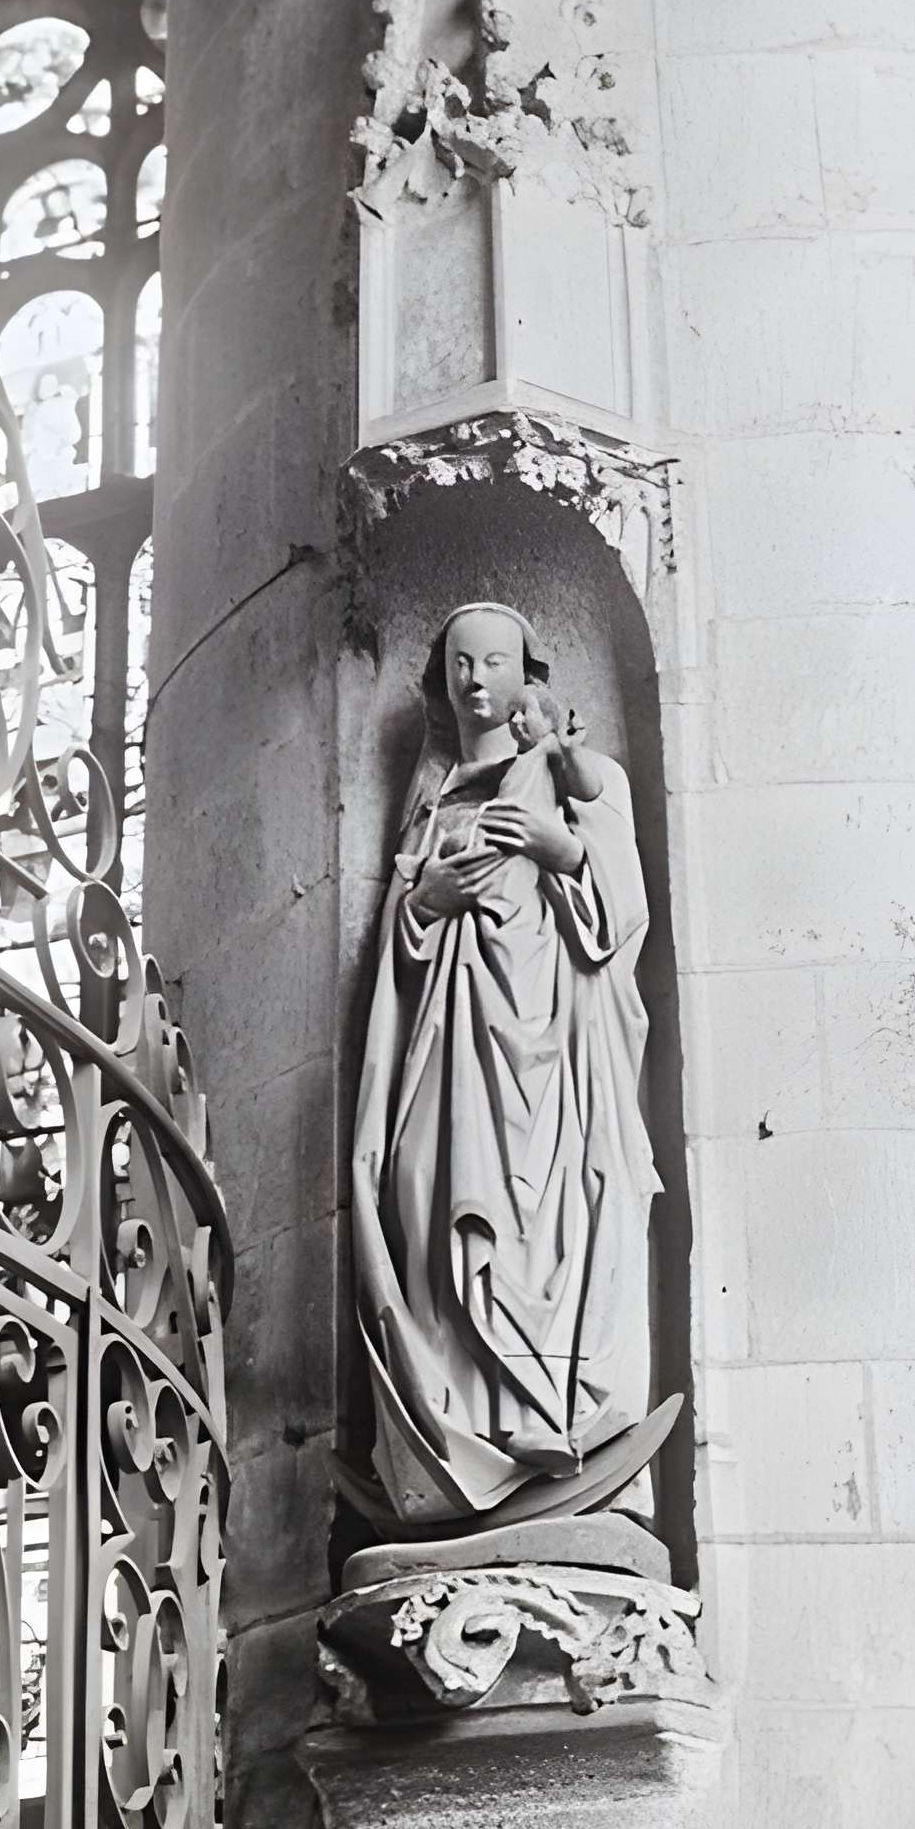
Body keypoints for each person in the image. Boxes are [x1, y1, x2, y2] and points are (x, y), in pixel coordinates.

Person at [346, 602, 660, 1528]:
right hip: (448, 1047)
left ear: (528, 671)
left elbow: (621, 908)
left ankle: (549, 1419)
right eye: (457, 663)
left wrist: (562, 845)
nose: (475, 679)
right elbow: (396, 948)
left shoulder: (571, 770)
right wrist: (428, 899)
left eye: (492, 661)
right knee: (432, 1200)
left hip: (552, 1043)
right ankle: (463, 1433)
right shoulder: (435, 790)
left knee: (542, 1221)